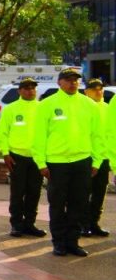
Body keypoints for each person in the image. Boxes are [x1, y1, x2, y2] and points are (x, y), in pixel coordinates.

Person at [32, 68, 102, 257]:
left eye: (76, 80)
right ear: (59, 83)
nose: (73, 83)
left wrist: (96, 161)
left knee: (78, 204)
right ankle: (59, 243)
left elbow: (97, 136)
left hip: (82, 162)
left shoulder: (89, 105)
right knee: (57, 204)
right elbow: (38, 137)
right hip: (57, 163)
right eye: (68, 80)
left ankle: (73, 242)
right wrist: (41, 163)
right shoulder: (47, 105)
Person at [0, 78, 45, 237]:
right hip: (17, 157)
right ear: (19, 91)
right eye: (26, 88)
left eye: (32, 88)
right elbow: (2, 133)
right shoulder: (11, 109)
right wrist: (5, 153)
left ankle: (30, 224)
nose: (30, 91)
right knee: (17, 192)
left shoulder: (42, 108)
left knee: (34, 192)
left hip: (37, 158)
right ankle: (16, 224)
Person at [83, 79, 111, 237]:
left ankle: (94, 223)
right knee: (84, 193)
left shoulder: (107, 108)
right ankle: (83, 224)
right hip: (87, 157)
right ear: (86, 91)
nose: (98, 91)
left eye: (100, 89)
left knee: (99, 193)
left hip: (104, 157)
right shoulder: (83, 107)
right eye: (94, 89)